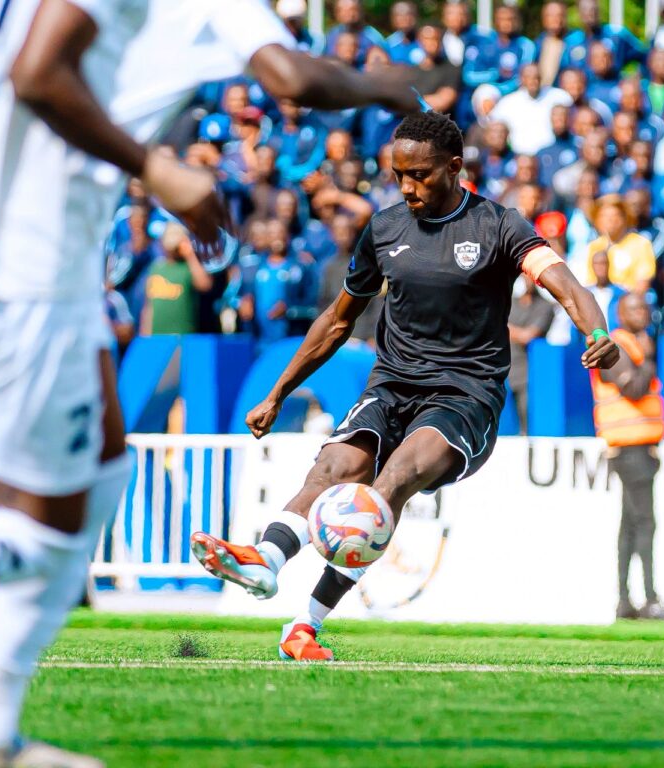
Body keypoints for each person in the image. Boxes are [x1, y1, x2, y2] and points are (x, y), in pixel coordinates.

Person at [0, 1, 420, 765]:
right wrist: (162, 171)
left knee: (96, 474)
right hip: (24, 266)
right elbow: (38, 73)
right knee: (56, 508)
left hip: (54, 270)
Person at [190, 111, 620, 661]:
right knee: (334, 468)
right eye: (398, 175)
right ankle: (266, 561)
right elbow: (338, 320)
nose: (408, 187)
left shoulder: (500, 226)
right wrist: (277, 393)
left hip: (466, 396)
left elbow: (568, 285)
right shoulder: (385, 228)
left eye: (420, 175)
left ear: (455, 167)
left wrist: (597, 331)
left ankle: (307, 623)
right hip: (393, 383)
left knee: (391, 482)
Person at [590, 293, 664, 621]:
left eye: (645, 308)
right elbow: (635, 388)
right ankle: (650, 600)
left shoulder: (631, 346)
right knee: (645, 522)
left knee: (629, 524)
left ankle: (625, 603)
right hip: (629, 448)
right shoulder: (614, 347)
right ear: (620, 313)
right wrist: (650, 357)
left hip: (637, 446)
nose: (643, 313)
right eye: (635, 309)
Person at [141, 223, 213, 335]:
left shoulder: (188, 268)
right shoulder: (156, 268)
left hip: (182, 337)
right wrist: (145, 334)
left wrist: (190, 254)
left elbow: (205, 285)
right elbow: (148, 307)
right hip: (156, 337)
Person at [488, 63, 572, 155]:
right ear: (522, 79)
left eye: (536, 77)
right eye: (528, 77)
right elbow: (492, 125)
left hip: (550, 154)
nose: (533, 81)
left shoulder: (558, 96)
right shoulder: (507, 103)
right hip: (519, 156)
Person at [508, 275, 555, 434]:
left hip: (529, 372)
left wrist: (504, 327)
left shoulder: (545, 306)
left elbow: (527, 336)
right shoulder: (510, 302)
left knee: (527, 420)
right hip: (505, 367)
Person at [586, 194, 657, 293]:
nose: (610, 220)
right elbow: (590, 281)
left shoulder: (641, 244)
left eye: (615, 215)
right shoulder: (594, 246)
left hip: (628, 298)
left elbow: (642, 283)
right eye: (604, 216)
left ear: (625, 218)